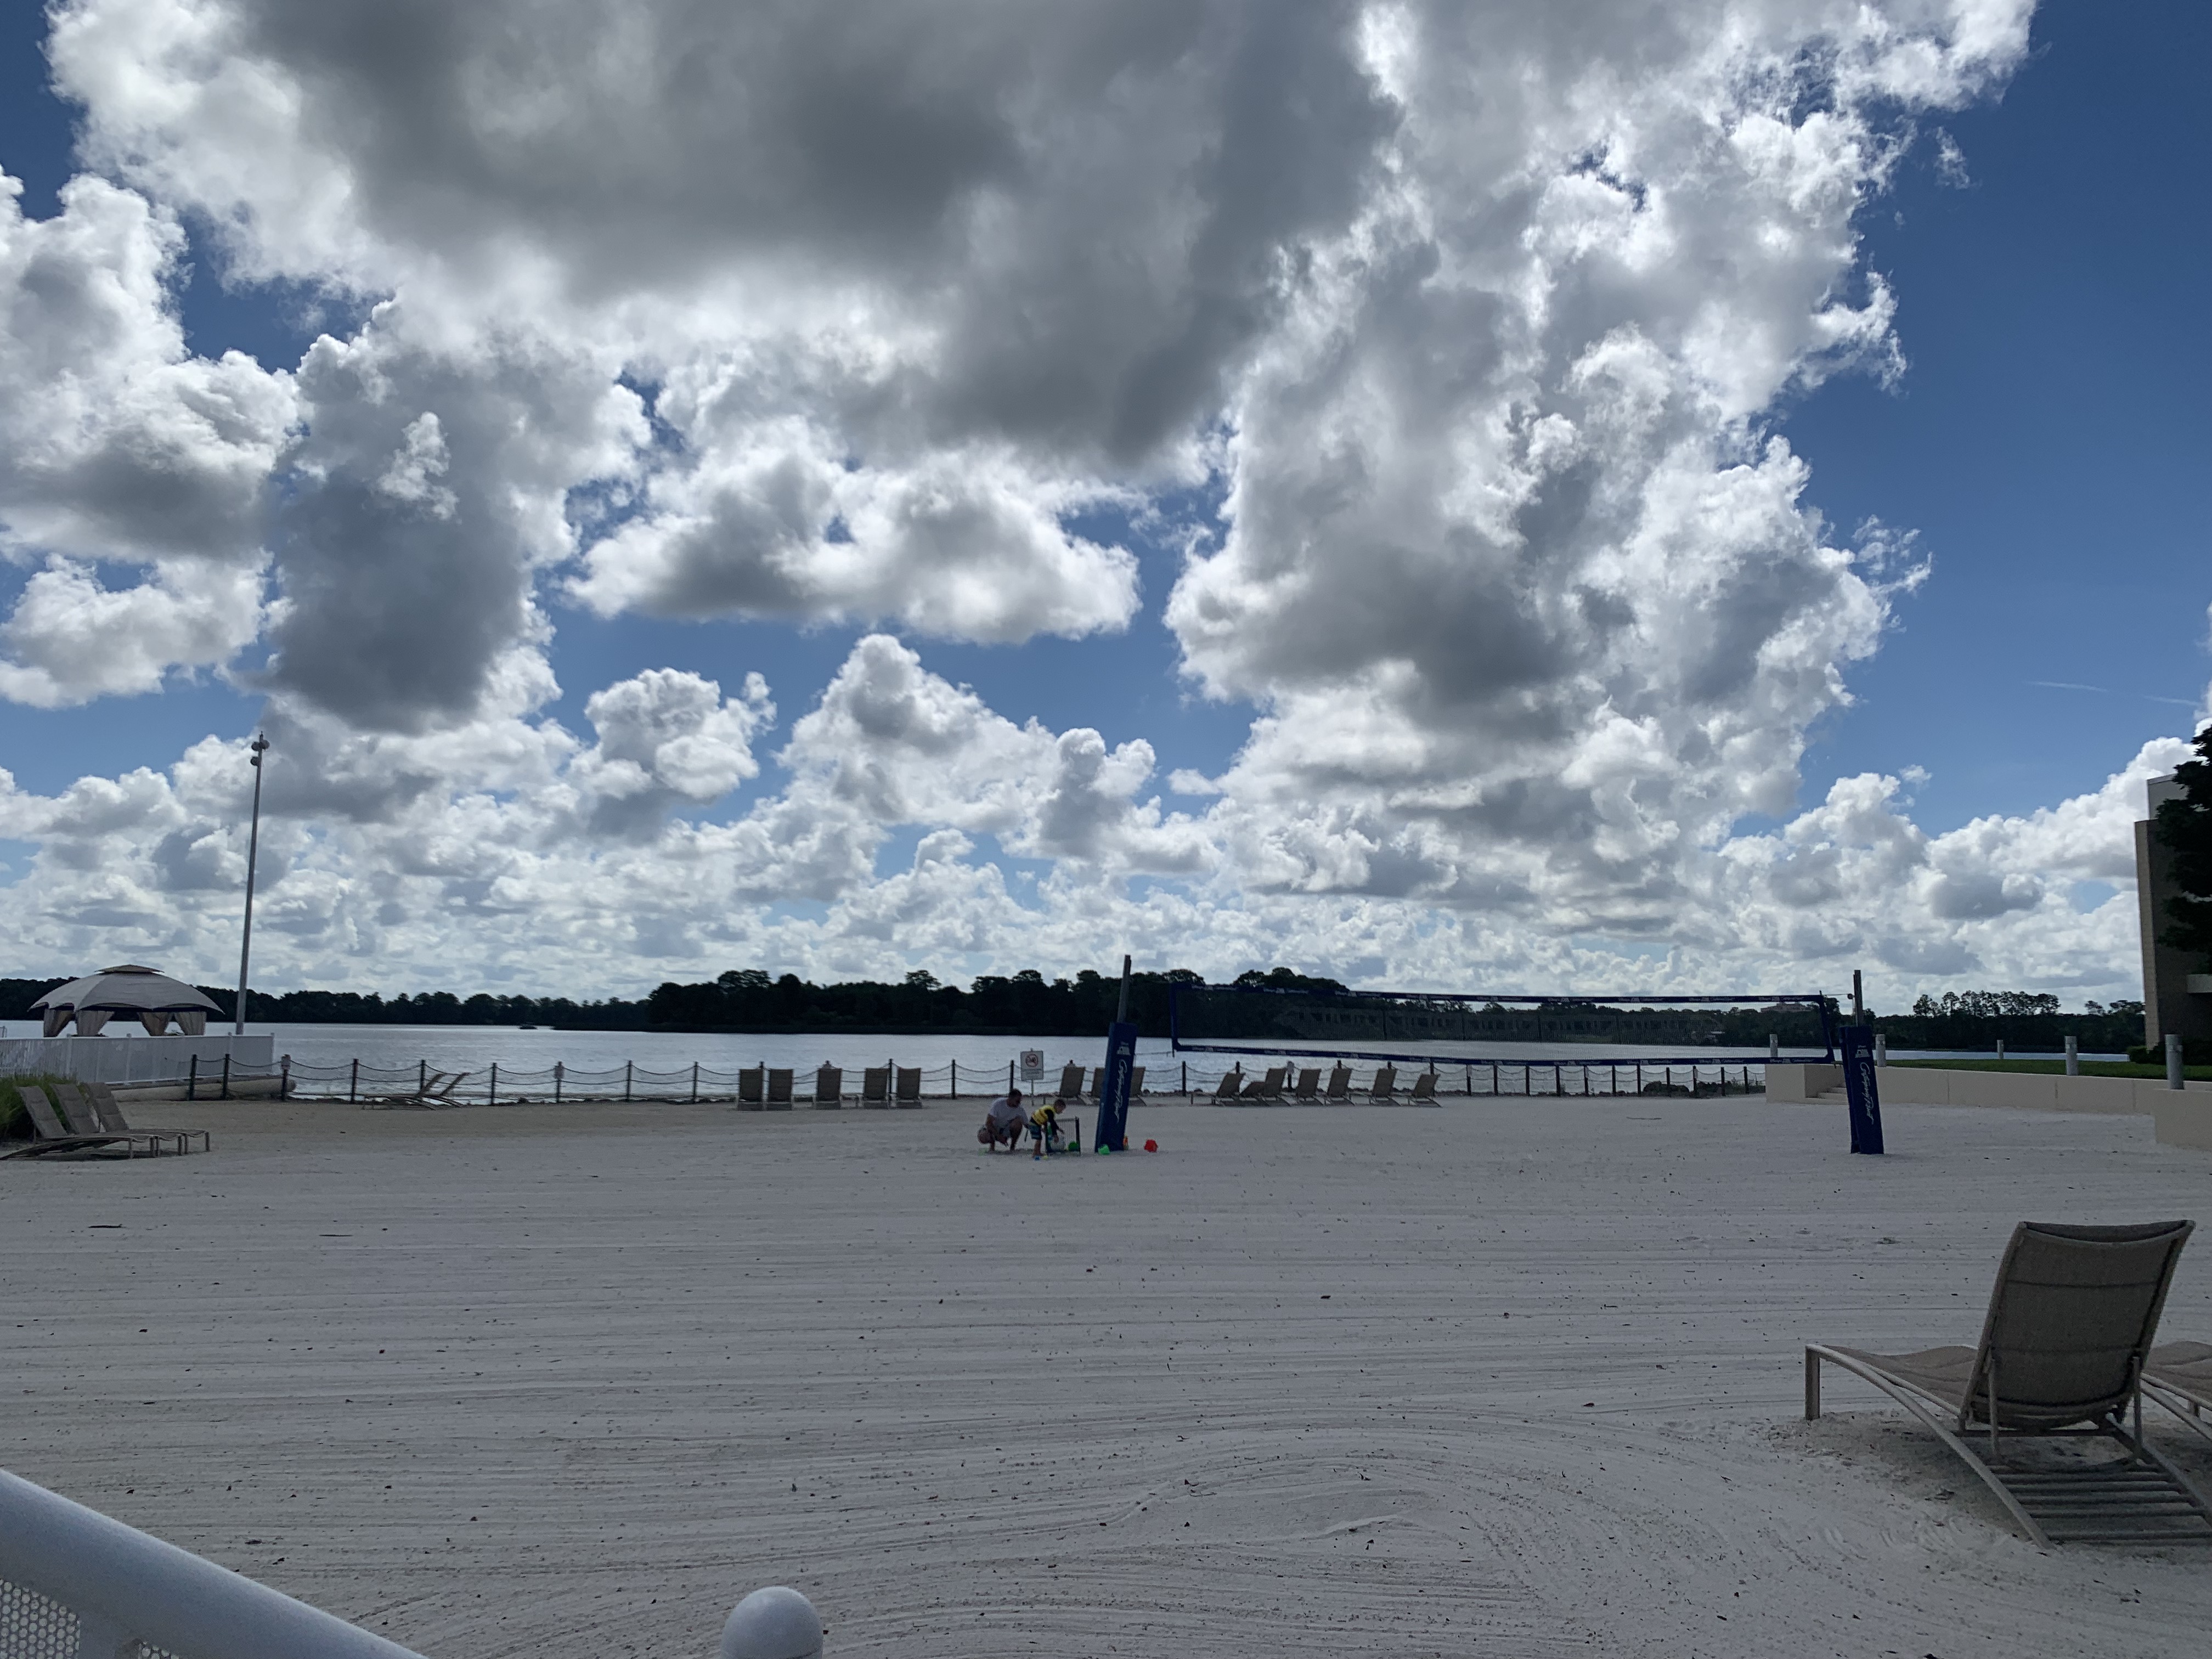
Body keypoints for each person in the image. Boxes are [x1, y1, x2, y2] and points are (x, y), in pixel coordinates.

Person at [980, 1087, 1026, 1152]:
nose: (1019, 1104)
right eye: (1017, 1101)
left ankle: (1013, 1147)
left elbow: (1027, 1124)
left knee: (1018, 1123)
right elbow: (988, 1123)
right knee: (983, 1137)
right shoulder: (998, 1104)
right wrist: (999, 1136)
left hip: (1006, 1130)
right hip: (994, 1128)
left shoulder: (1020, 1109)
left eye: (1020, 1102)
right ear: (1010, 1098)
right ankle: (992, 1145)